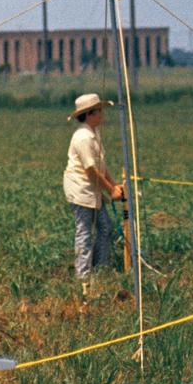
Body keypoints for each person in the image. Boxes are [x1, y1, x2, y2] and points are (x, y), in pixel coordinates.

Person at [62, 94, 124, 296]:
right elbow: (90, 170)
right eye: (99, 111)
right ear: (89, 114)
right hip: (81, 190)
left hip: (92, 189)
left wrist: (114, 186)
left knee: (105, 227)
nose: (102, 114)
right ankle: (83, 276)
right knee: (85, 232)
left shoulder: (93, 133)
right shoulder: (82, 137)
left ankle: (101, 268)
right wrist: (109, 189)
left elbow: (101, 166)